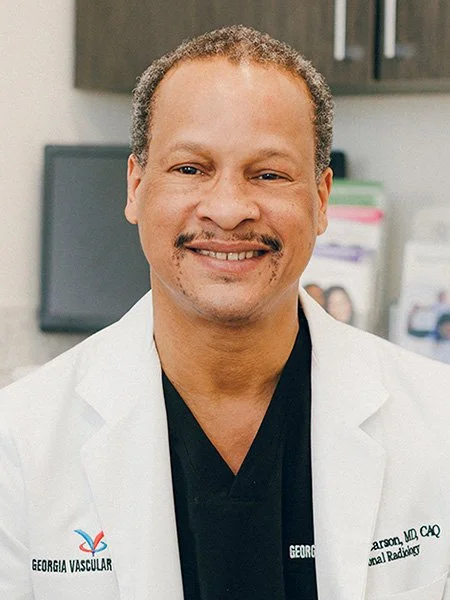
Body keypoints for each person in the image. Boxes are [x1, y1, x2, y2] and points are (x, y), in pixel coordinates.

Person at [1, 25, 450, 600]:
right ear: (136, 187)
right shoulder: (20, 443)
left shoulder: (435, 423)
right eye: (191, 168)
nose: (230, 209)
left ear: (320, 199)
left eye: (269, 174)